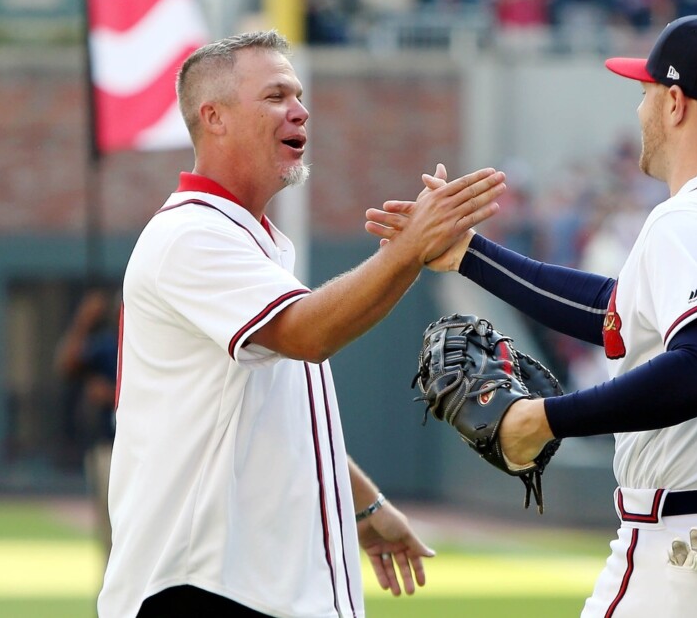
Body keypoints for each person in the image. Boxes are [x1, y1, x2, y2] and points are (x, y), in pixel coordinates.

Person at [366, 14, 697, 616]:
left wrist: (544, 419)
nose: (640, 110)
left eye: (645, 92)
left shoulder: (691, 219)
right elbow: (615, 311)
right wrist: (470, 254)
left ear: (675, 102)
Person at [97, 30, 506, 618]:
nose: (300, 109)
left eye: (298, 93)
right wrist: (409, 249)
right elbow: (307, 335)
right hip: (201, 587)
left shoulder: (248, 240)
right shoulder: (191, 234)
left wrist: (361, 504)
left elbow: (271, 416)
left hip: (244, 588)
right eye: (275, 96)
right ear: (214, 117)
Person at [55, 288, 119, 564]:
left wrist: (113, 393)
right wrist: (83, 320)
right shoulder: (108, 345)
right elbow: (66, 364)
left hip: (153, 451)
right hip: (110, 447)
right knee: (111, 533)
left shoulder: (161, 345)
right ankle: (114, 601)